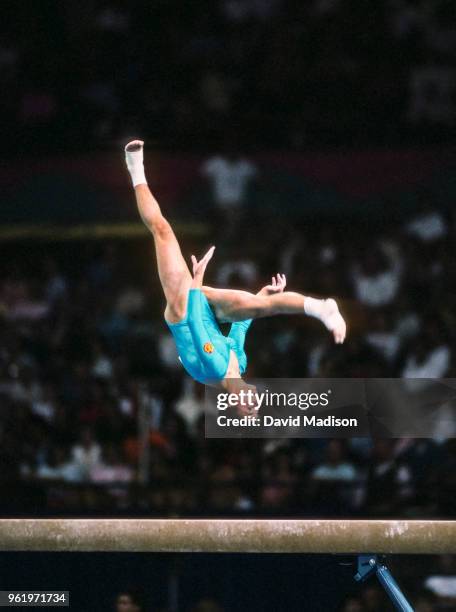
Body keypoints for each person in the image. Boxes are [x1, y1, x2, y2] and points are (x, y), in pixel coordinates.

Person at [124, 140, 346, 407]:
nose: (253, 399)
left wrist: (197, 279)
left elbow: (194, 322)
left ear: (234, 402)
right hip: (206, 311)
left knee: (162, 231)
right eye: (257, 403)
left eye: (247, 406)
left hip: (183, 311)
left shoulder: (213, 367)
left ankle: (136, 170)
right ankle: (321, 307)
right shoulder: (239, 362)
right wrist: (261, 295)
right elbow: (240, 325)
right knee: (258, 307)